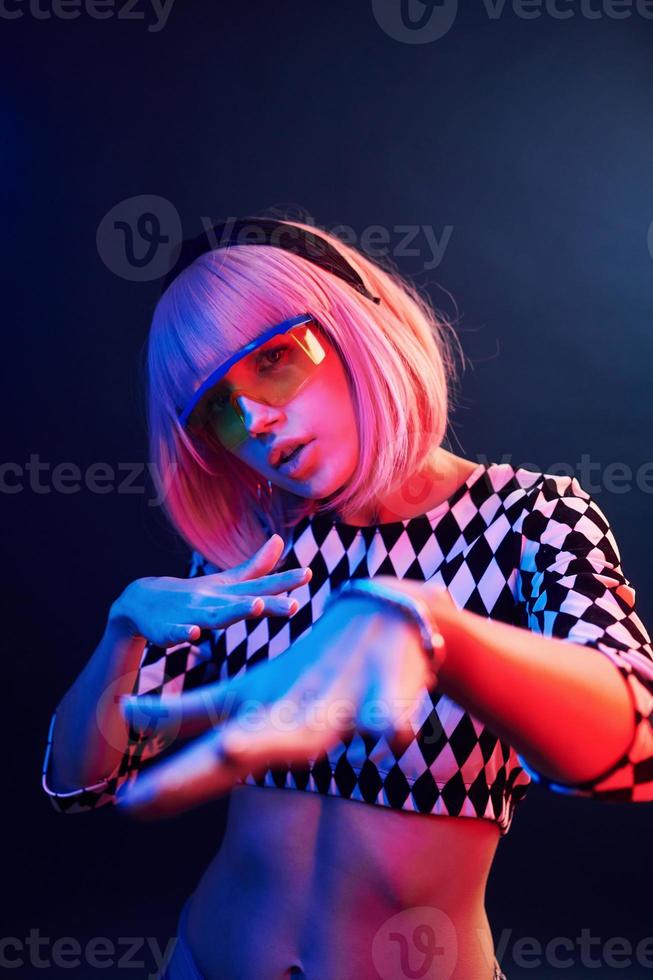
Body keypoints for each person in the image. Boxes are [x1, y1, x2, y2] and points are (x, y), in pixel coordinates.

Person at [41, 216, 653, 980]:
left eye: (273, 361)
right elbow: (81, 785)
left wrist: (435, 633)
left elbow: (639, 747)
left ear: (361, 326)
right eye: (218, 409)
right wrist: (121, 631)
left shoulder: (525, 519)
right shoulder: (250, 551)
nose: (255, 421)